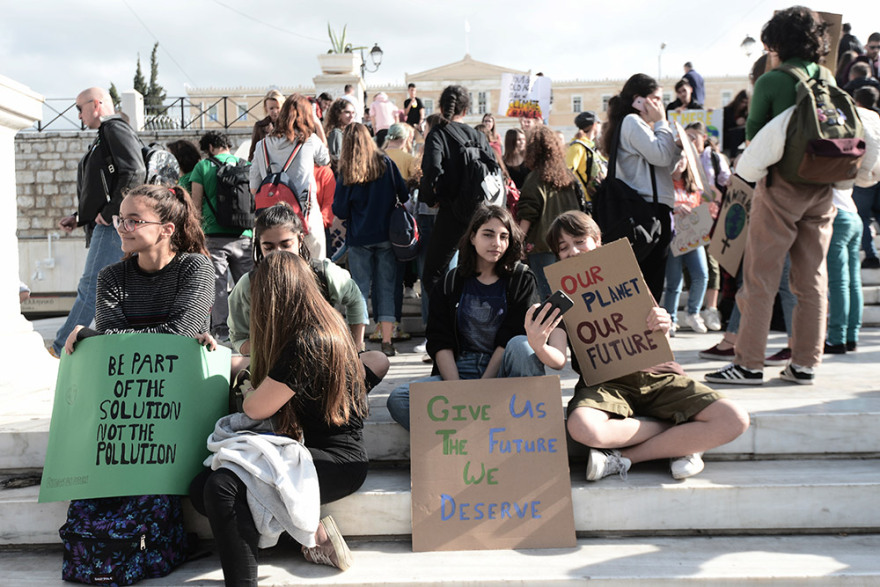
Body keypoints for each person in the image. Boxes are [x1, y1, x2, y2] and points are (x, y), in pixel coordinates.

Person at [64, 184, 216, 579]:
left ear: (166, 229)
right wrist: (114, 340)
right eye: (120, 219)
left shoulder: (196, 267)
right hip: (126, 399)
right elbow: (119, 347)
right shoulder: (112, 275)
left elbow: (182, 333)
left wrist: (102, 337)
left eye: (134, 220)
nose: (122, 228)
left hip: (179, 396)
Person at [530, 210, 749, 481]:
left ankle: (626, 458)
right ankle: (682, 434)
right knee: (583, 428)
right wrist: (539, 345)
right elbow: (558, 358)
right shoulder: (560, 297)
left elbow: (660, 337)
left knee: (735, 419)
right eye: (563, 248)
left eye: (579, 241)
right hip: (605, 384)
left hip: (659, 376)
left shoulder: (626, 277)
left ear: (597, 241)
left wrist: (664, 323)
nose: (573, 251)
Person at [191, 251, 370, 579]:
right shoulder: (325, 328)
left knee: (221, 486)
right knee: (200, 487)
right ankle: (307, 534)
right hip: (310, 454)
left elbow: (254, 407)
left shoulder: (307, 344)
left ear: (271, 299)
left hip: (336, 461)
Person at [707, 7, 837, 386]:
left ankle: (748, 363)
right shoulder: (827, 76)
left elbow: (755, 136)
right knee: (812, 277)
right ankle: (805, 363)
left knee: (761, 277)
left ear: (776, 41)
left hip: (782, 184)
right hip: (823, 182)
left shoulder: (773, 80)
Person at [386, 205, 543, 430]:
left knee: (522, 344)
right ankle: (471, 438)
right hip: (461, 370)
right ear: (472, 237)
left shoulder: (522, 278)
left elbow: (512, 334)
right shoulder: (451, 282)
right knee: (399, 399)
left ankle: (525, 433)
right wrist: (458, 391)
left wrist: (483, 388)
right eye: (488, 234)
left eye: (504, 236)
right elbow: (440, 340)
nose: (496, 243)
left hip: (504, 374)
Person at [227, 203, 389, 384]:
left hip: (324, 362)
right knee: (229, 367)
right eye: (269, 247)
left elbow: (355, 299)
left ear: (300, 240)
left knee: (378, 360)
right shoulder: (248, 285)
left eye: (286, 245)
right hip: (274, 370)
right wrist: (267, 351)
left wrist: (355, 350)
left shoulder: (324, 273)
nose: (278, 254)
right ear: (259, 246)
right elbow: (238, 336)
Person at [51, 87, 146, 358]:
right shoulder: (105, 134)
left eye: (79, 108)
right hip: (111, 222)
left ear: (96, 104)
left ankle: (60, 348)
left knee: (92, 285)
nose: (79, 116)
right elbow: (102, 185)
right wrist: (80, 217)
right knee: (117, 285)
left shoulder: (112, 129)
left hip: (113, 224)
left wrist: (113, 210)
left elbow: (135, 170)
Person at [602, 73, 680, 302]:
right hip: (646, 209)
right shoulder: (632, 121)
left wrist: (676, 147)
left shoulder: (638, 125)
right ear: (639, 100)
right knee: (648, 284)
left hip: (651, 207)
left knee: (651, 282)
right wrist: (662, 123)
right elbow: (661, 156)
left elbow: (665, 161)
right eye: (656, 98)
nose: (660, 104)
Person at [332, 123, 409, 357]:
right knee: (386, 287)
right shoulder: (386, 163)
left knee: (359, 290)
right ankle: (387, 340)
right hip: (387, 235)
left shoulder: (347, 171)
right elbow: (404, 194)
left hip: (359, 238)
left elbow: (340, 210)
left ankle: (359, 344)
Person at [419, 85, 499, 298]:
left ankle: (448, 319)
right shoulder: (479, 136)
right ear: (466, 110)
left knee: (432, 275)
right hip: (481, 212)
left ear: (441, 106)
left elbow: (432, 168)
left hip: (451, 211)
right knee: (477, 271)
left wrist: (430, 197)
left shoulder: (438, 134)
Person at [250, 93, 330, 259]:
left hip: (273, 220)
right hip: (306, 216)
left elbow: (254, 188)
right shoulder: (310, 140)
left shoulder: (261, 145)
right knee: (316, 269)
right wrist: (317, 123)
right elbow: (325, 160)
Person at [190, 131, 253, 340]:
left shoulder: (202, 167)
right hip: (244, 233)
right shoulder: (244, 164)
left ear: (209, 147)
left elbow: (196, 204)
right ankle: (253, 326)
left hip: (214, 234)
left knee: (217, 283)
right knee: (248, 282)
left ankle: (223, 330)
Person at [517, 125, 585, 299]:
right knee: (572, 293)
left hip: (542, 245)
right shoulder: (568, 176)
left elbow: (527, 214)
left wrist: (518, 242)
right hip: (571, 244)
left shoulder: (534, 179)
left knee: (547, 295)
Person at [662, 152, 709, 334]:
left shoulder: (693, 185)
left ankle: (693, 313)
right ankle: (671, 319)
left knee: (701, 274)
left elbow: (699, 207)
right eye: (677, 158)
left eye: (683, 158)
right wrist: (675, 209)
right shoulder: (664, 184)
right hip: (674, 236)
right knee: (674, 281)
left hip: (693, 236)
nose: (680, 162)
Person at [853, 87, 880, 269]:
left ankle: (871, 255)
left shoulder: (858, 117)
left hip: (864, 174)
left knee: (862, 217)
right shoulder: (877, 117)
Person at [566, 110, 606, 201]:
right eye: (599, 124)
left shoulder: (590, 146)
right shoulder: (577, 147)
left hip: (595, 199)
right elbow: (567, 173)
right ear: (595, 125)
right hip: (585, 201)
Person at [247, 89, 284, 162]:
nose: (275, 111)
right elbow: (253, 151)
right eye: (271, 108)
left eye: (278, 107)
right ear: (266, 108)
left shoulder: (288, 125)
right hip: (265, 165)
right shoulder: (260, 126)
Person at [323, 98, 357, 164]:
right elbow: (337, 160)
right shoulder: (336, 133)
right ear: (338, 113)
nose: (351, 116)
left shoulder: (344, 132)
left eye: (353, 113)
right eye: (347, 112)